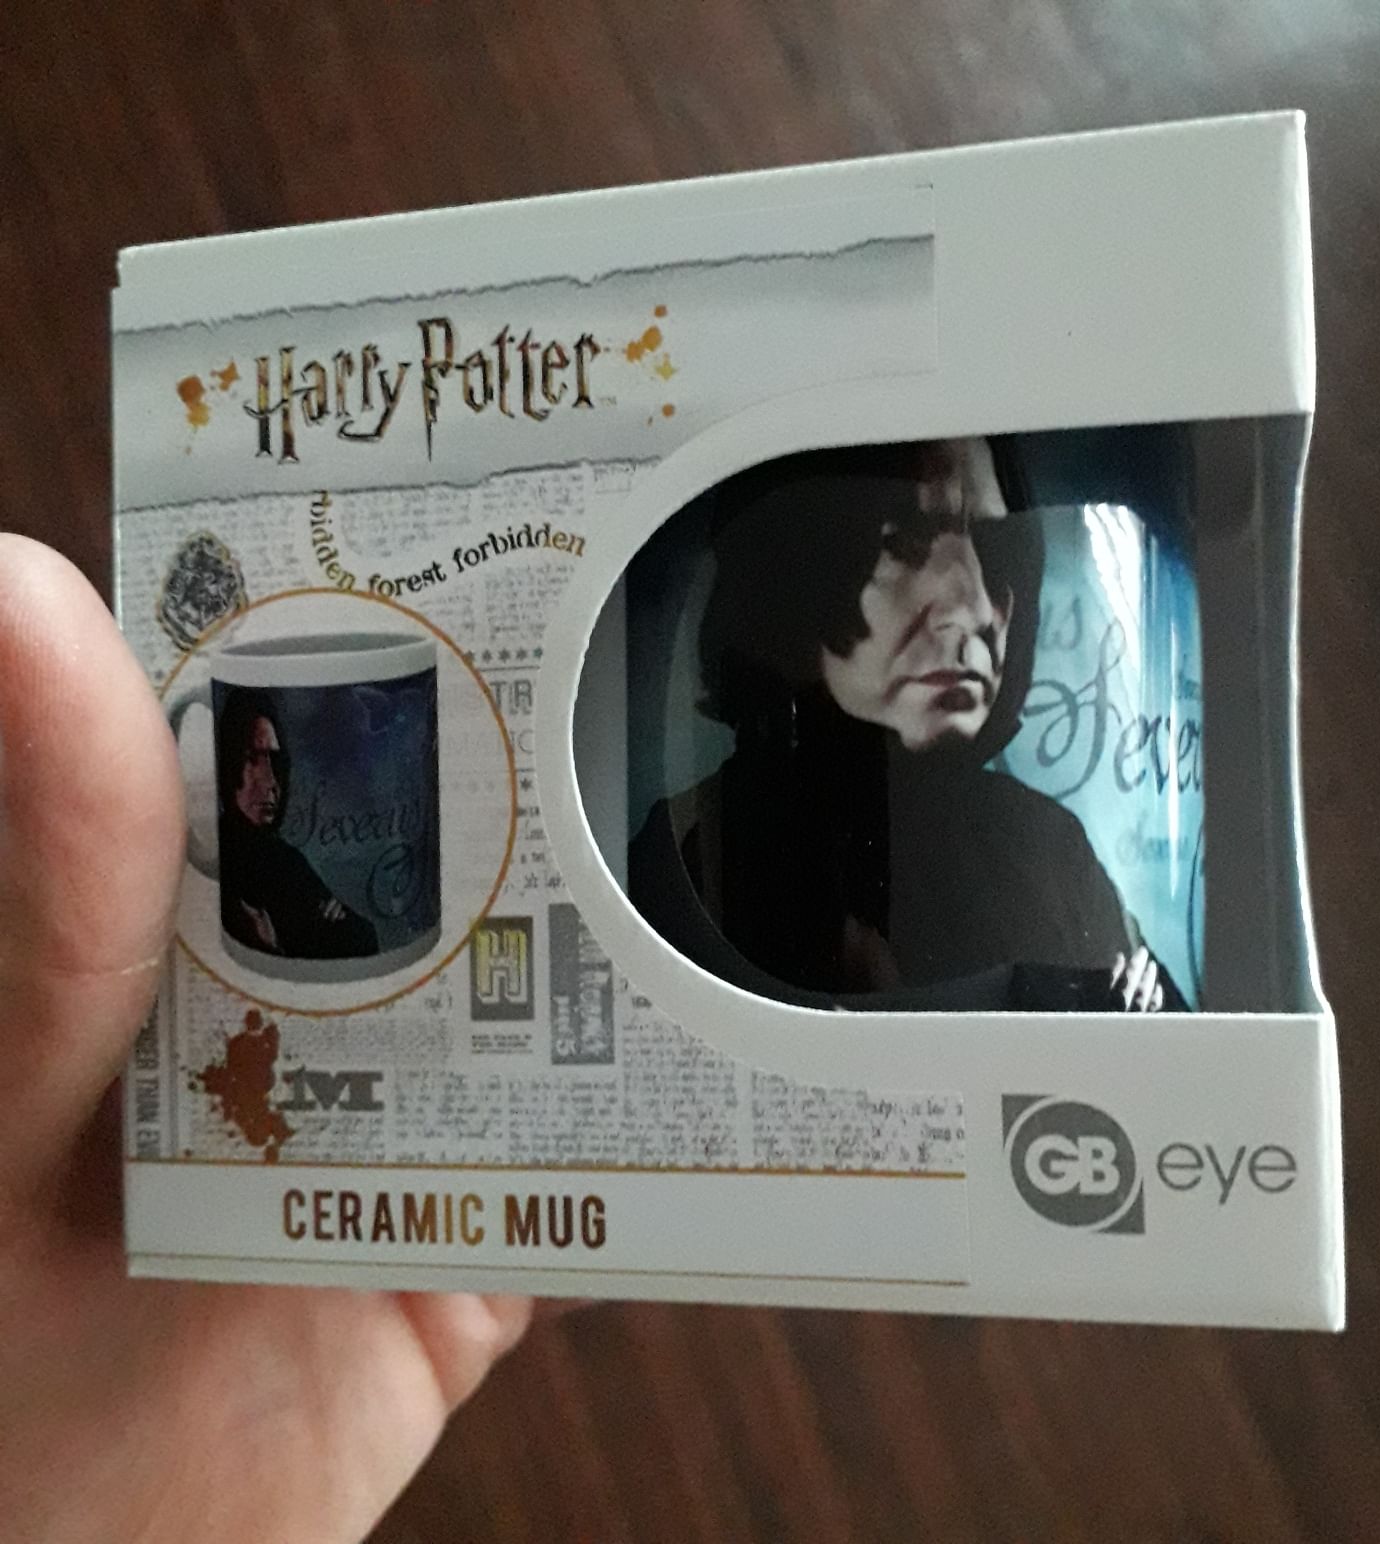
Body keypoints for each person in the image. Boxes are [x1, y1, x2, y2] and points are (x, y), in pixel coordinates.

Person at [0, 535, 534, 1542]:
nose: (266, 779)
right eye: (249, 758)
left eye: (274, 762)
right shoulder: (260, 877)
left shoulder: (299, 875)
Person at [628, 436, 1186, 1013]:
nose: (971, 608)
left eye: (996, 551)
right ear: (793, 573)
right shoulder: (696, 854)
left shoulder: (1045, 846)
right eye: (904, 542)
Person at [216, 688, 379, 959]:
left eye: (274, 761)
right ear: (228, 763)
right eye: (252, 759)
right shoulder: (223, 863)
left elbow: (364, 937)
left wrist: (276, 947)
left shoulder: (285, 861)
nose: (271, 782)